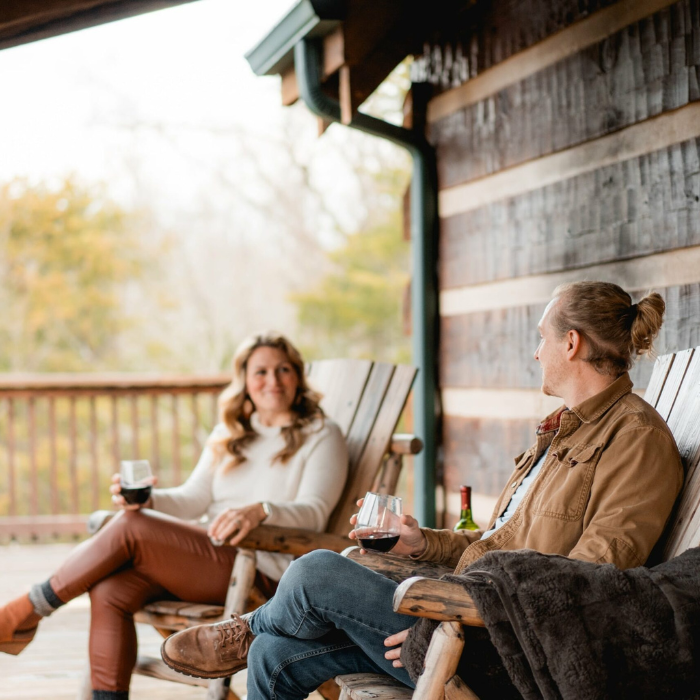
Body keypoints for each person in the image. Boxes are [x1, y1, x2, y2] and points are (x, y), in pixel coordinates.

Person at [160, 282, 684, 699]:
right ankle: (256, 633)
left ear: (571, 344)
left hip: (508, 642)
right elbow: (499, 542)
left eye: (542, 337)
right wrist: (422, 545)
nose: (535, 350)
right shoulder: (563, 432)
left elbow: (596, 578)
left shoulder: (635, 438)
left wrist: (453, 610)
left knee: (315, 571)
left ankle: (247, 624)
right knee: (273, 654)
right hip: (460, 612)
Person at [0, 332, 349, 700]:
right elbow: (192, 498)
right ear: (245, 381)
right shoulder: (230, 434)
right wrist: (149, 499)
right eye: (261, 371)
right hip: (209, 562)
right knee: (111, 588)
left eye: (284, 370)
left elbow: (314, 513)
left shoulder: (322, 435)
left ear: (297, 376)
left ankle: (23, 613)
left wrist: (262, 510)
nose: (273, 381)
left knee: (132, 528)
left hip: (261, 570)